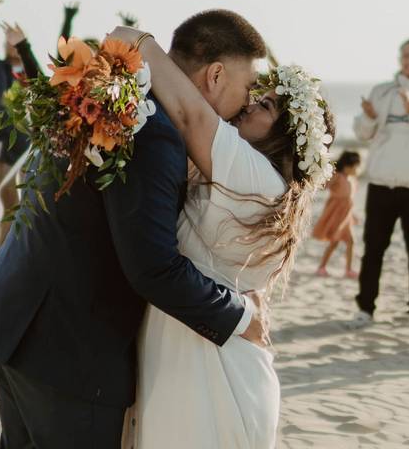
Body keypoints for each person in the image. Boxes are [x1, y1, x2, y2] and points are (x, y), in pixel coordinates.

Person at [0, 10, 271, 447]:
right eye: (248, 88)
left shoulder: (114, 97)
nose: (247, 104)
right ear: (216, 76)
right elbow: (152, 267)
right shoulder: (154, 133)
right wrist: (240, 315)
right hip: (66, 352)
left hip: (15, 315)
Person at [107, 23, 335, 448]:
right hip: (203, 337)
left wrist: (137, 41)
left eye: (264, 105)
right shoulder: (260, 184)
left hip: (213, 360)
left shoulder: (255, 176)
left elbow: (192, 113)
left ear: (283, 136)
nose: (249, 104)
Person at [0, 0, 77, 272]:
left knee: (15, 213)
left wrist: (68, 20)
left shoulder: (31, 71)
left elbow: (61, 62)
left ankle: (2, 263)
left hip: (24, 153)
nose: (9, 45)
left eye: (15, 42)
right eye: (7, 41)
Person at [351, 39, 409, 328]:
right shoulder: (381, 91)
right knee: (373, 248)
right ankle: (365, 308)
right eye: (407, 55)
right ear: (399, 59)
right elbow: (363, 134)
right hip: (381, 183)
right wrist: (367, 118)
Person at [313, 151, 362, 279]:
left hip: (346, 216)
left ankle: (348, 269)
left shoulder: (351, 179)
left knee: (351, 241)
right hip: (336, 213)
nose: (357, 170)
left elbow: (350, 199)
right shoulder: (338, 176)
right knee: (334, 242)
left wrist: (353, 215)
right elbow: (324, 185)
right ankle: (321, 267)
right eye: (355, 167)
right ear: (347, 166)